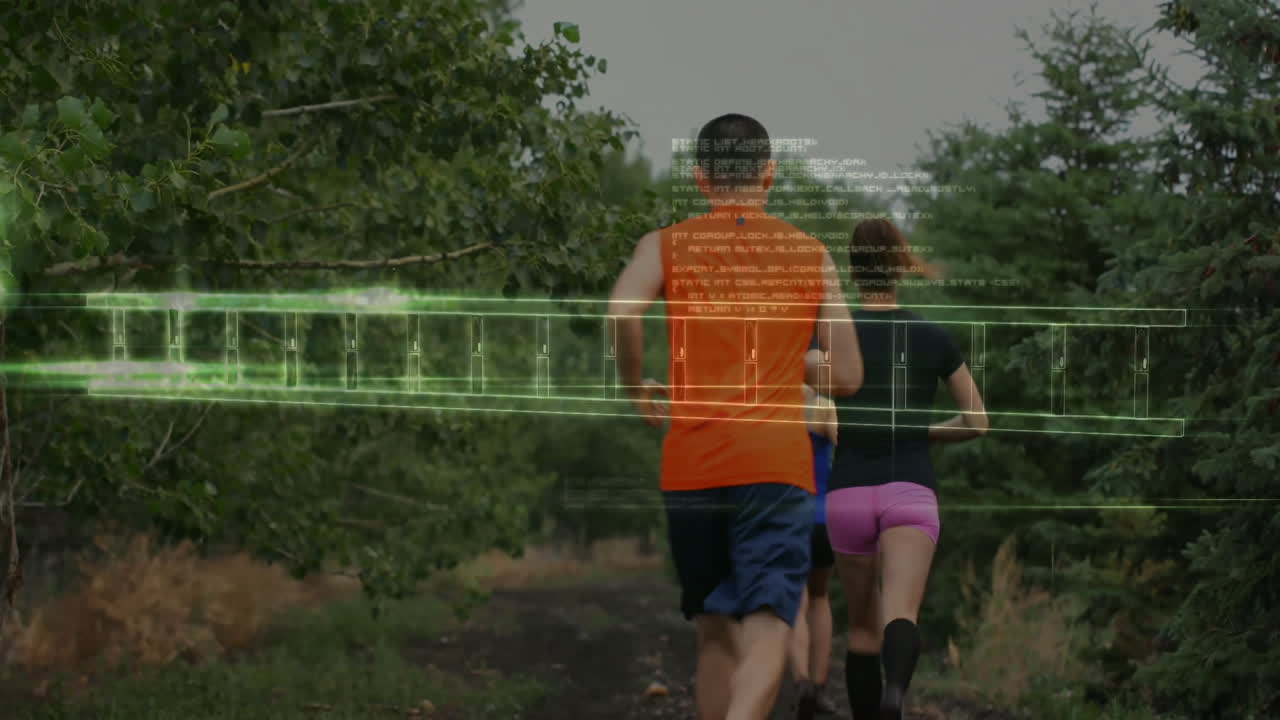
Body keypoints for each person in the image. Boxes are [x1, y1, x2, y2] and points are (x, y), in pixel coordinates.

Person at [608, 113, 863, 720]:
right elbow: (849, 375)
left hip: (691, 468)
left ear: (701, 178)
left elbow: (621, 313)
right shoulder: (810, 255)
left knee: (715, 627)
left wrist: (635, 387)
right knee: (771, 620)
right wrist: (787, 359)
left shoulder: (663, 245)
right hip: (776, 467)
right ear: (768, 174)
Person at [814, 218, 989, 720]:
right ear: (900, 266)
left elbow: (813, 408)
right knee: (900, 614)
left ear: (853, 270)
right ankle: (895, 694)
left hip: (847, 493)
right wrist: (922, 431)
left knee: (862, 627)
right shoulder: (932, 336)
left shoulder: (832, 336)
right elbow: (978, 422)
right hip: (909, 491)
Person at [788, 374, 839, 718]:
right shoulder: (823, 406)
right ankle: (819, 687)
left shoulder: (771, 405)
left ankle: (802, 682)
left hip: (786, 517)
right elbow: (846, 451)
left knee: (795, 599)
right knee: (820, 597)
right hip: (823, 516)